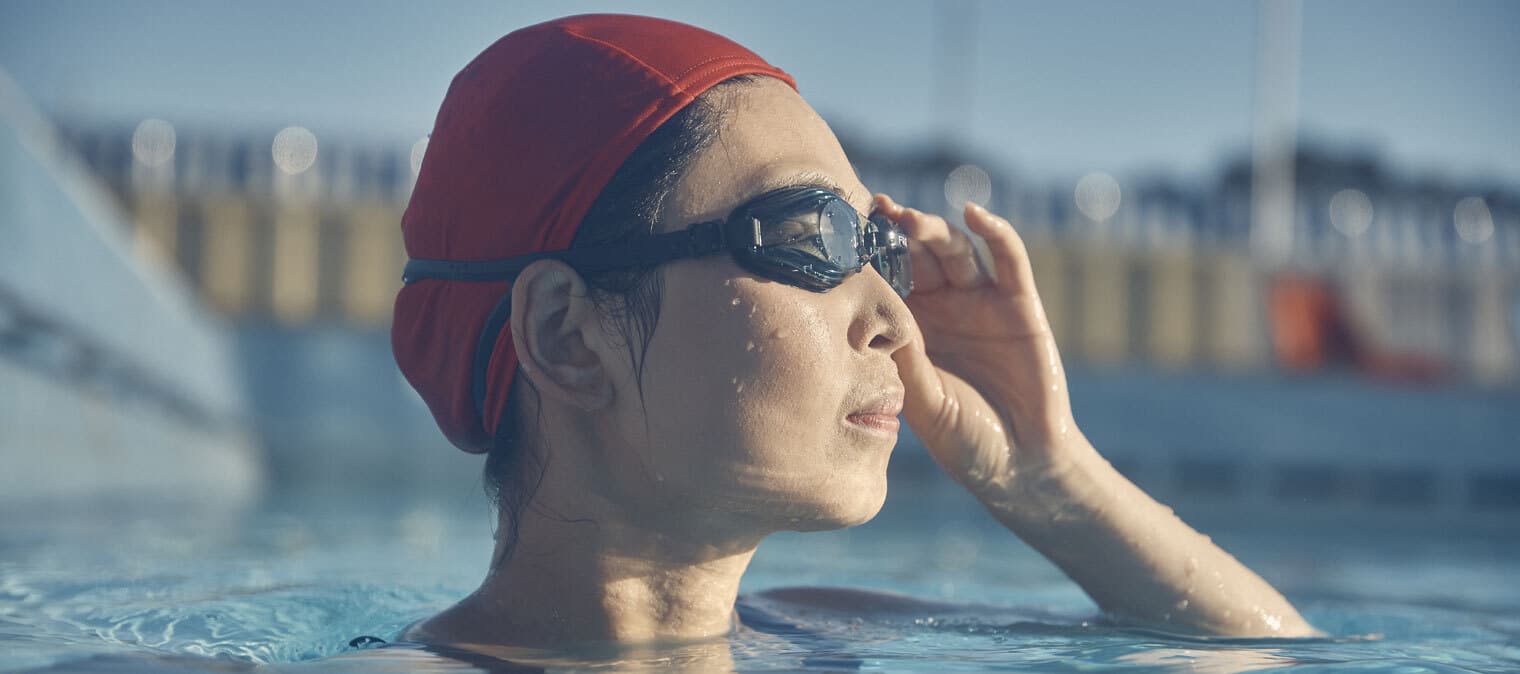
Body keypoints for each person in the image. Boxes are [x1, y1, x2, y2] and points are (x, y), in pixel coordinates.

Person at [388, 13, 1316, 656]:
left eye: (878, 248)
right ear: (565, 333)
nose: (897, 323)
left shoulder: (823, 637)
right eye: (809, 238)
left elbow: (1269, 659)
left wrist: (1048, 476)